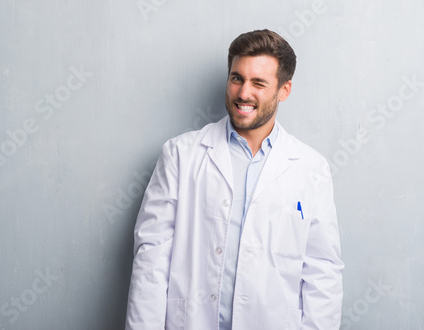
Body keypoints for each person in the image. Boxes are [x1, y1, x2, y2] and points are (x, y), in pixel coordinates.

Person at [125, 29, 343, 330]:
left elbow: (323, 271)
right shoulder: (180, 155)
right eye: (237, 78)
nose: (243, 93)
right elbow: (151, 259)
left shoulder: (310, 168)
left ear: (284, 90)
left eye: (259, 83)